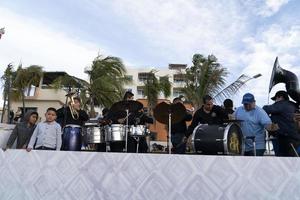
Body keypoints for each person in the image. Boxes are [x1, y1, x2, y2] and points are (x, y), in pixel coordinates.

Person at [263, 90, 300, 157]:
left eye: (275, 99)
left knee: (283, 161)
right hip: (295, 137)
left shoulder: (282, 104)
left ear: (280, 97)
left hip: (285, 138)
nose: (275, 101)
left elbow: (266, 109)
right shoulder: (294, 105)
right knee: (294, 160)